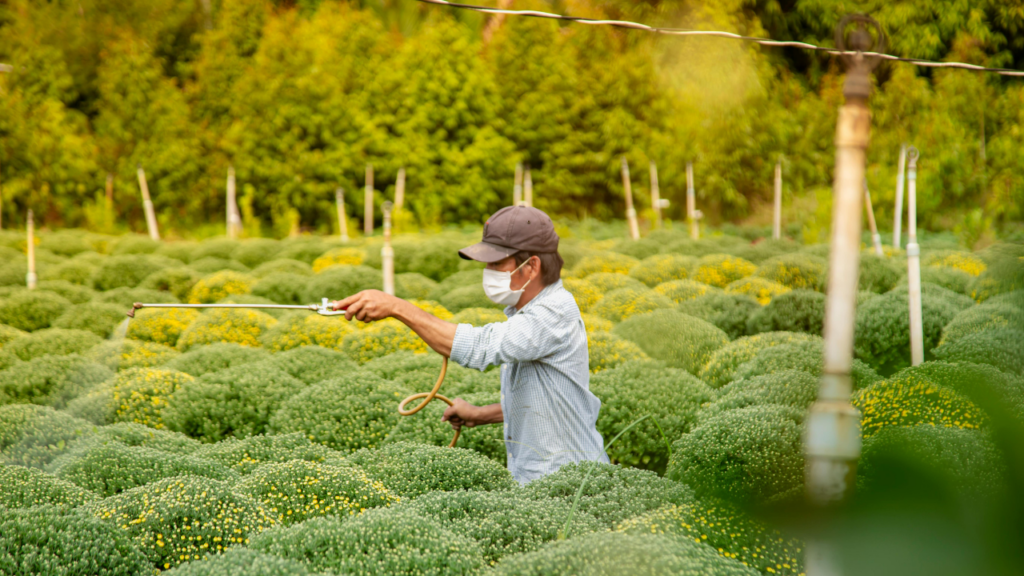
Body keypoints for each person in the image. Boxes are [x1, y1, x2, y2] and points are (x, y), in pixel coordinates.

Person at [331, 205, 608, 484]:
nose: (488, 272)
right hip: (541, 478)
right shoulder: (527, 313)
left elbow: (480, 348)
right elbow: (546, 399)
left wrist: (397, 307)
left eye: (497, 263)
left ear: (532, 266)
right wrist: (480, 415)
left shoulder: (553, 313)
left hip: (569, 484)